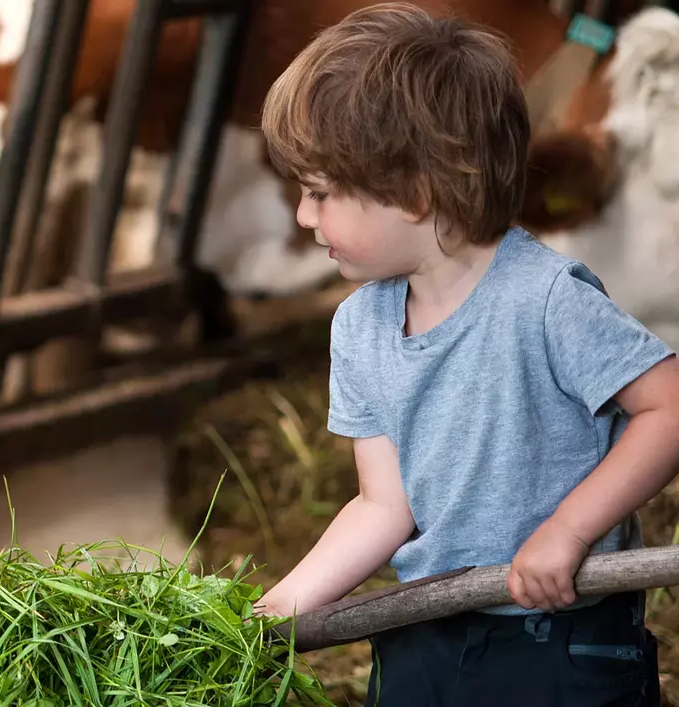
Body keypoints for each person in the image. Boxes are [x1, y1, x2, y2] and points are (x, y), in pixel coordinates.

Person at [247, 4, 679, 705]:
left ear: (414, 193)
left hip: (561, 639)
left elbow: (669, 406)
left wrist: (568, 530)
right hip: (424, 627)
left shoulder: (544, 299)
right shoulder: (358, 327)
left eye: (320, 192)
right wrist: (280, 607)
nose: (303, 217)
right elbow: (382, 504)